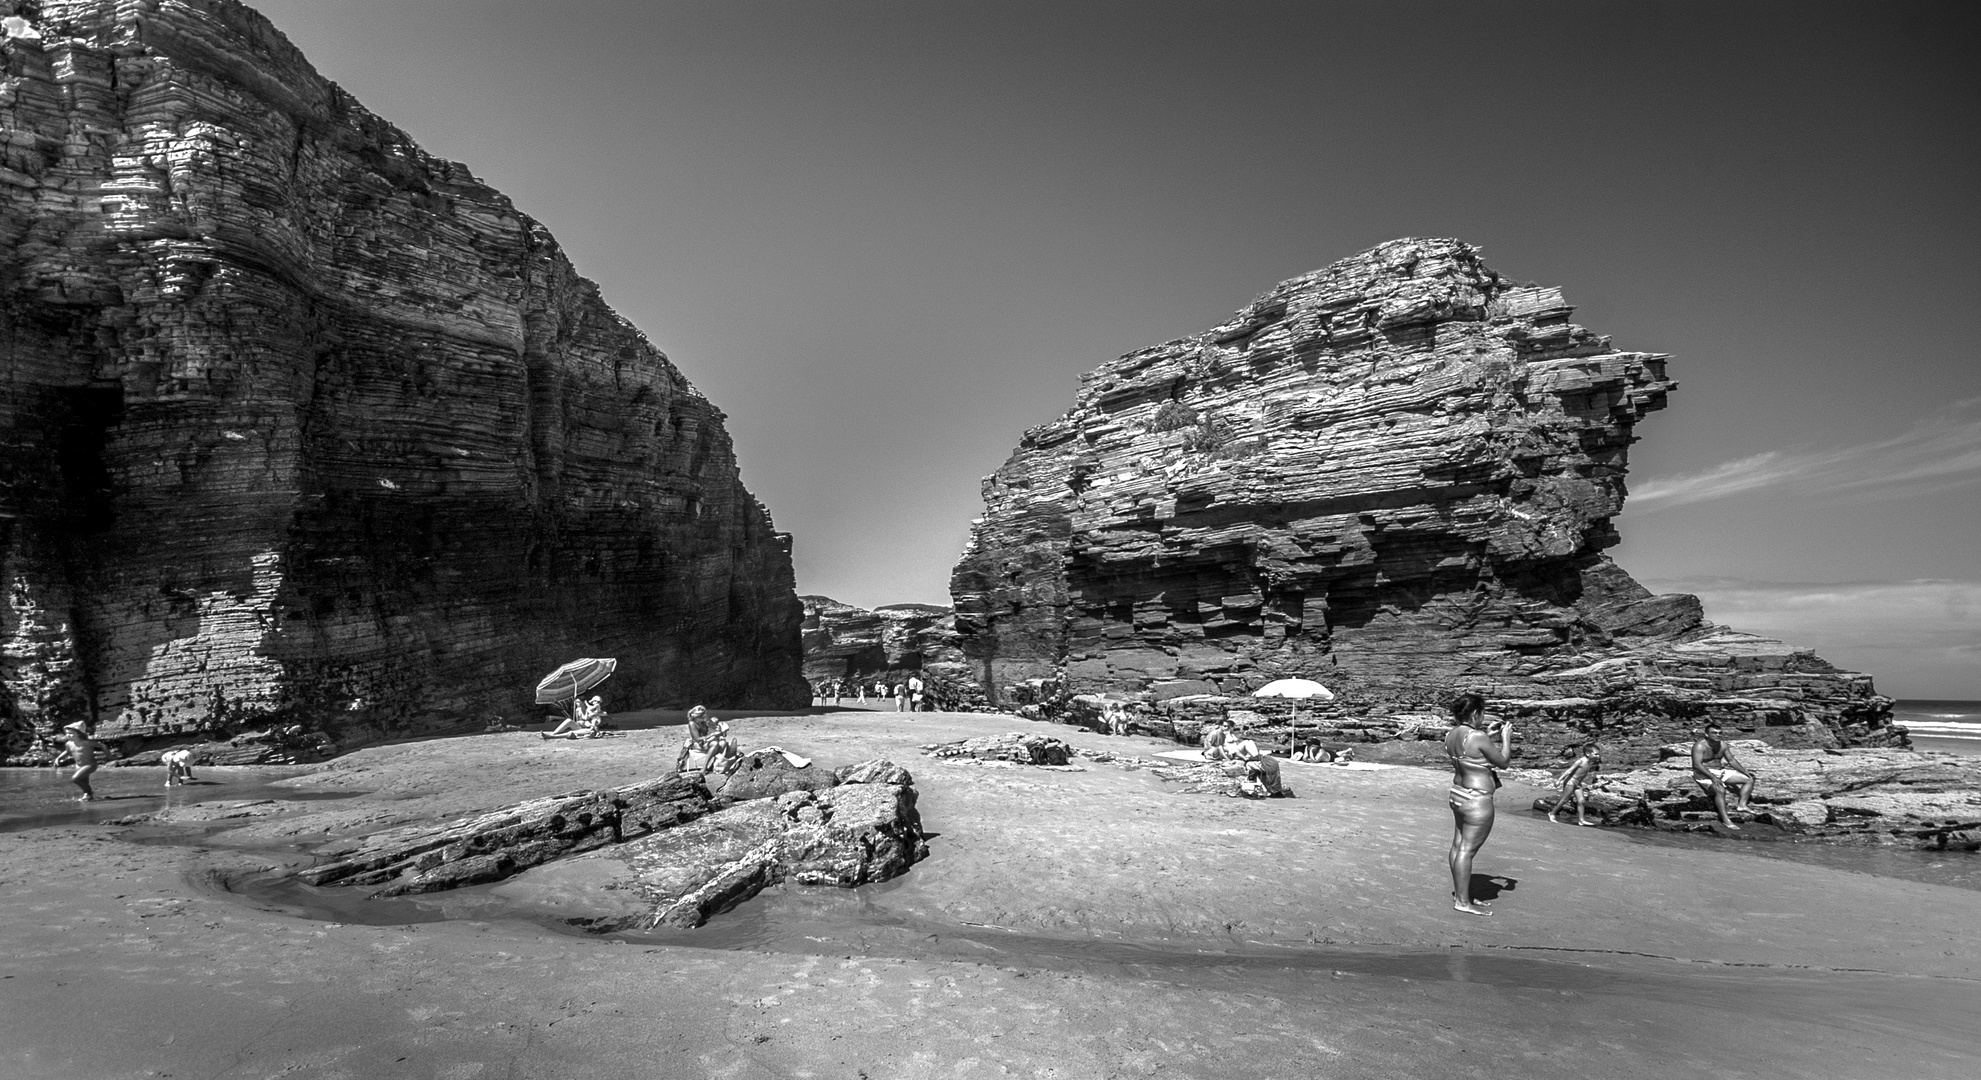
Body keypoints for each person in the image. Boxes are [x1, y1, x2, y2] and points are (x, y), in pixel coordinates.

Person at [1444, 692, 1510, 916]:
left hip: (1458, 794)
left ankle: (1462, 894)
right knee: (1467, 851)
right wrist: (1506, 738)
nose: (1483, 718)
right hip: (1477, 799)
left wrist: (1487, 735)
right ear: (1474, 713)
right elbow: (1504, 762)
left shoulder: (1451, 735)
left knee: (1458, 846)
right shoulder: (1477, 736)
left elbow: (1471, 756)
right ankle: (1462, 901)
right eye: (1481, 713)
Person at [1692, 722, 1757, 828]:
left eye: (1719, 733)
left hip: (1721, 772)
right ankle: (1726, 820)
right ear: (1707, 734)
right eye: (1714, 733)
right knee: (1720, 790)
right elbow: (1697, 765)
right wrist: (1713, 777)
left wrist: (1744, 771)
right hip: (1704, 774)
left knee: (1749, 779)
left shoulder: (1722, 744)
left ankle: (1742, 805)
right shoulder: (1699, 746)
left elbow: (1731, 760)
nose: (1718, 735)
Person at [1549, 741, 1602, 826]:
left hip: (1578, 783)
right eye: (1596, 754)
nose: (1598, 756)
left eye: (1598, 754)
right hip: (1570, 782)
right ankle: (1552, 813)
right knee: (1565, 799)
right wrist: (1559, 780)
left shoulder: (1589, 762)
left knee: (1581, 801)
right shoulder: (1581, 761)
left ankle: (1581, 820)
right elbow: (1569, 770)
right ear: (1588, 753)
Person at [677, 705, 739, 776]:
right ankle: (704, 768)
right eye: (703, 716)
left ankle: (713, 765)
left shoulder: (704, 721)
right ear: (697, 717)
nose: (705, 717)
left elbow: (713, 726)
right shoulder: (692, 723)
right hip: (696, 743)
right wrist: (712, 735)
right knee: (715, 743)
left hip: (706, 741)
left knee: (723, 743)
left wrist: (719, 729)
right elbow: (696, 738)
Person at [51, 721, 104, 802]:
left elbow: (102, 746)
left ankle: (90, 792)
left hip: (90, 764)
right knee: (83, 781)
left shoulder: (87, 743)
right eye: (67, 733)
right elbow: (68, 752)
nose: (68, 735)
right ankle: (88, 796)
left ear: (79, 733)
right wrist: (58, 758)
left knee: (75, 779)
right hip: (78, 766)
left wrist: (110, 756)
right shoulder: (69, 744)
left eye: (71, 733)